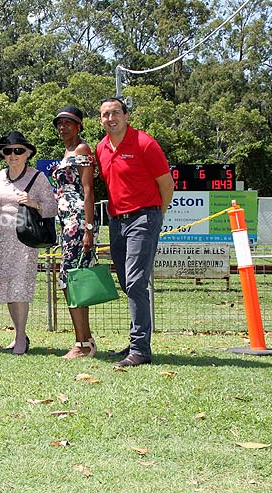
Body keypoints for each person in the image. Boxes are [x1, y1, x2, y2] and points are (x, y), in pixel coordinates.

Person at [96, 97, 173, 367]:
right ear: (101, 120)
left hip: (144, 217)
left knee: (136, 282)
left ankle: (140, 350)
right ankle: (135, 342)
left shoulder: (144, 143)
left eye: (116, 112)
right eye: (105, 114)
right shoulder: (101, 148)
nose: (111, 118)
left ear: (126, 116)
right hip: (116, 222)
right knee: (127, 281)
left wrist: (157, 215)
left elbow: (167, 184)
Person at [0, 132, 58, 354]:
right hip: (1, 242)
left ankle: (20, 338)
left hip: (24, 241)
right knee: (7, 288)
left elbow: (53, 207)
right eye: (8, 151)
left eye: (18, 150)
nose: (13, 155)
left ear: (27, 154)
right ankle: (19, 333)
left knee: (20, 287)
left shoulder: (38, 178)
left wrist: (34, 203)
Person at [51, 106, 97, 358]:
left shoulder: (82, 149)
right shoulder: (66, 152)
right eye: (60, 123)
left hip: (78, 223)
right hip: (66, 223)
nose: (63, 127)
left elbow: (88, 190)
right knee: (71, 281)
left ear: (79, 126)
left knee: (72, 280)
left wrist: (88, 228)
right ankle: (84, 340)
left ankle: (83, 343)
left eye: (68, 123)